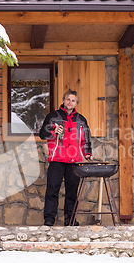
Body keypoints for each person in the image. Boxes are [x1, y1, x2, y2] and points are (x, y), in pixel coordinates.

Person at [39, 89, 93, 227]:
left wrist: (87, 153)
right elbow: (42, 134)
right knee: (52, 190)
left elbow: (86, 139)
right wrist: (53, 131)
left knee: (72, 192)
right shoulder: (53, 116)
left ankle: (70, 219)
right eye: (68, 99)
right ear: (63, 100)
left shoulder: (81, 120)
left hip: (74, 161)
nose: (70, 102)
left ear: (76, 103)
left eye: (73, 100)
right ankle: (49, 219)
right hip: (57, 159)